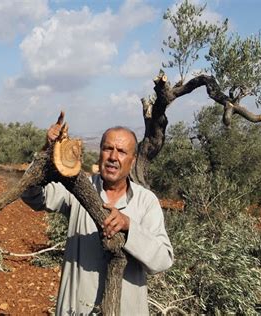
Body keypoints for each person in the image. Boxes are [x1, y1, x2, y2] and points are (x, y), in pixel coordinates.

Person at [22, 122, 173, 315]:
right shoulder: (78, 187)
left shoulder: (146, 201)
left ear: (133, 160)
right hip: (76, 309)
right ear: (100, 153)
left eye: (121, 151)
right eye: (107, 149)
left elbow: (162, 261)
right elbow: (31, 194)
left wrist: (129, 227)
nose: (113, 157)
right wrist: (46, 153)